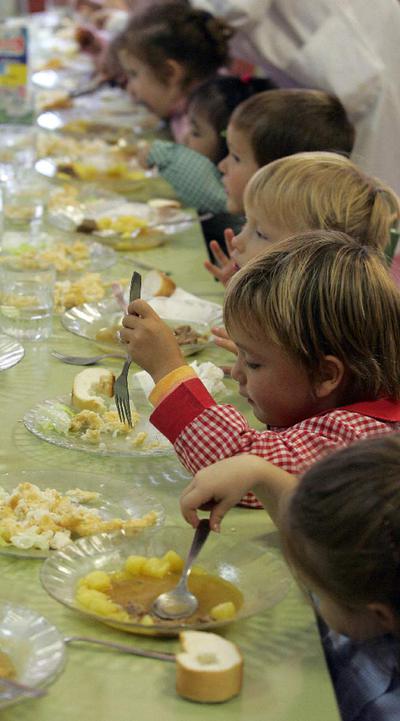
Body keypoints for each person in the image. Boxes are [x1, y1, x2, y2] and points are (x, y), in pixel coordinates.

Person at [120, 229, 400, 508]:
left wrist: (169, 371)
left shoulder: (357, 439)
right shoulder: (351, 396)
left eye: (253, 363)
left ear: (325, 375)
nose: (237, 373)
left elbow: (239, 466)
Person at [180, 434, 400, 721]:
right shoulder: (373, 582)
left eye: (315, 586)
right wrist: (257, 471)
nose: (310, 590)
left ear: (381, 615)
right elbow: (324, 538)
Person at [191, 0, 400, 196]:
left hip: (357, 67)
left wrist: (190, 20)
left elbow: (238, 9)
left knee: (370, 191)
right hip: (330, 65)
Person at [206, 150, 400, 289]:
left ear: (320, 260)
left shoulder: (315, 334)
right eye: (245, 222)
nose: (236, 241)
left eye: (260, 234)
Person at [137, 75, 275, 216]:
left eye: (196, 132)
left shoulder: (231, 199)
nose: (185, 138)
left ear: (226, 145)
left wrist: (160, 153)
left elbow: (213, 193)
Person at [114, 2, 233, 142]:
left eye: (134, 74)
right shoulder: (185, 105)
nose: (130, 89)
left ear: (170, 73)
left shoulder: (202, 130)